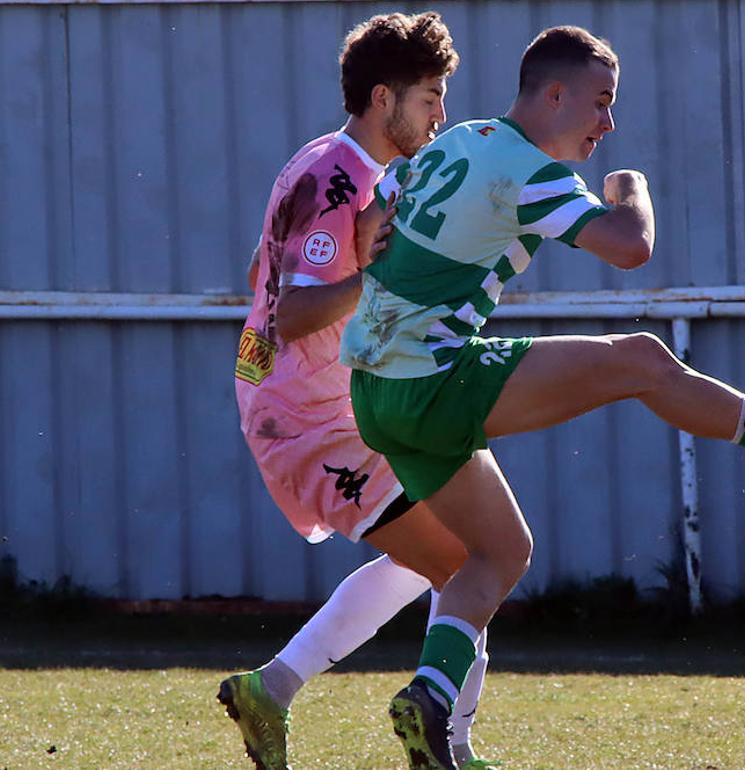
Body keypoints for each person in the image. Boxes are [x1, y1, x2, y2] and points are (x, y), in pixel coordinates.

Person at [344, 25, 745, 770]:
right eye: (600, 102)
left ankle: (429, 697)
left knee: (498, 554)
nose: (607, 123)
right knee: (643, 360)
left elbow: (368, 217)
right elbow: (629, 247)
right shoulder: (525, 166)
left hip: (373, 393)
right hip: (430, 379)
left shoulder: (458, 143)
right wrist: (631, 189)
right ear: (553, 94)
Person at [221, 13, 495, 770]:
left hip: (314, 406)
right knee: (474, 559)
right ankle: (453, 748)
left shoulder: (327, 164)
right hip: (307, 421)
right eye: (431, 98)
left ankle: (270, 690)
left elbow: (258, 272)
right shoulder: (340, 180)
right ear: (384, 98)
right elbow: (295, 307)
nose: (440, 115)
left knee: (440, 559)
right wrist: (379, 273)